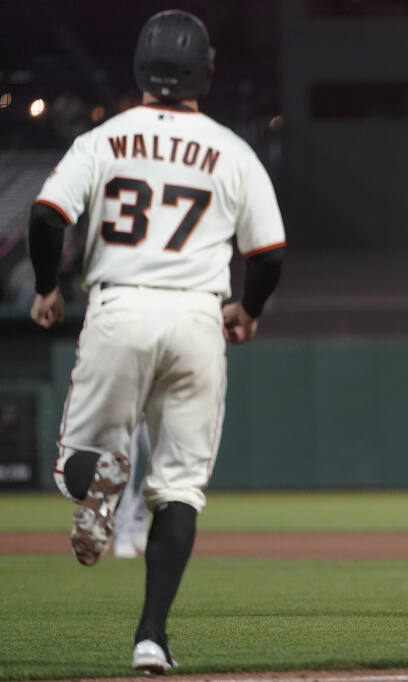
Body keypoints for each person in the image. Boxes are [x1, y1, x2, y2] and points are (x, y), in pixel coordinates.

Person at [28, 9, 286, 671]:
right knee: (179, 488)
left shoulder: (105, 138)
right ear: (206, 71)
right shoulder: (232, 150)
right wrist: (247, 310)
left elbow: (47, 216)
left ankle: (101, 484)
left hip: (120, 307)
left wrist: (47, 287)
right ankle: (151, 638)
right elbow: (268, 255)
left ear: (141, 66)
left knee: (76, 465)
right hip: (198, 317)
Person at [112, 420, 152, 559]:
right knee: (126, 472)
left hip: (151, 411)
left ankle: (139, 519)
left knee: (163, 464)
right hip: (127, 413)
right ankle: (123, 535)